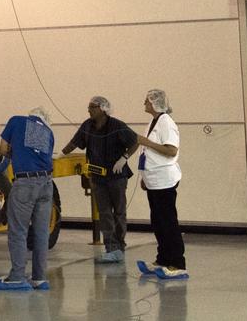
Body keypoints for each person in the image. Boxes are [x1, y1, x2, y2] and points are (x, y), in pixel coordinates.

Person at [61, 95, 138, 263]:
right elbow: (74, 143)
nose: (89, 110)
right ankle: (110, 248)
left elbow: (135, 141)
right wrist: (60, 155)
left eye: (92, 107)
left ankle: (120, 246)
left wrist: (124, 158)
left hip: (117, 176)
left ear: (103, 109)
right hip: (97, 177)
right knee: (104, 213)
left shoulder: (117, 126)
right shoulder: (87, 126)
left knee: (119, 211)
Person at [0, 107, 55, 291]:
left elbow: (3, 149)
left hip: (25, 184)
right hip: (46, 184)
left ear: (31, 114)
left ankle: (17, 277)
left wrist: (9, 155)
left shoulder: (17, 120)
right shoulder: (47, 131)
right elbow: (35, 153)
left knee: (18, 231)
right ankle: (39, 278)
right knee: (41, 232)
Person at [135, 89, 187, 280]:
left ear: (156, 103)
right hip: (153, 179)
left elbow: (171, 150)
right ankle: (163, 259)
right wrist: (144, 177)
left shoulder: (166, 123)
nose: (144, 103)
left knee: (168, 222)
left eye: (147, 101)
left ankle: (177, 263)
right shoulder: (154, 121)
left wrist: (146, 142)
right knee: (158, 222)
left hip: (165, 180)